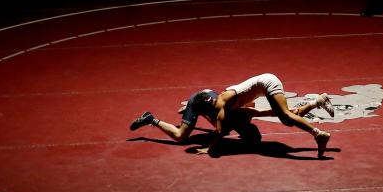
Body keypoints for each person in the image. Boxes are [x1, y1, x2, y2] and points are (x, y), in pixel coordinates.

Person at [130, 76, 334, 156]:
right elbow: (218, 130)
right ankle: (151, 119)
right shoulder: (232, 115)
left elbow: (276, 114)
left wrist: (210, 147)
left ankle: (317, 106)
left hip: (210, 97)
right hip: (199, 100)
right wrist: (209, 149)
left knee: (285, 117)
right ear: (244, 131)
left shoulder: (244, 114)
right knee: (181, 137)